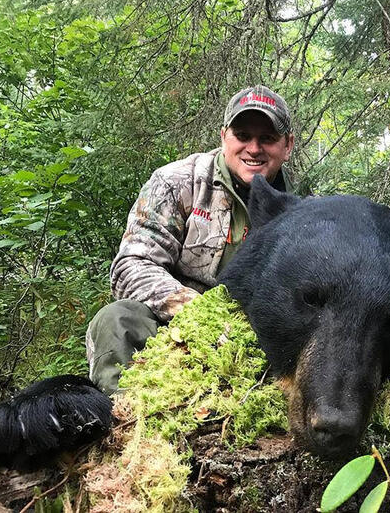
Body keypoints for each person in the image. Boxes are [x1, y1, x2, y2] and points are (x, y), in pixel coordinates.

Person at [86, 85, 294, 394]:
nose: (254, 148)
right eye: (243, 136)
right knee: (117, 320)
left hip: (257, 337)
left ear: (287, 146)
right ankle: (124, 424)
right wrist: (199, 315)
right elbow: (132, 266)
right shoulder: (178, 182)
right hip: (174, 326)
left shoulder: (301, 211)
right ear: (224, 136)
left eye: (267, 138)